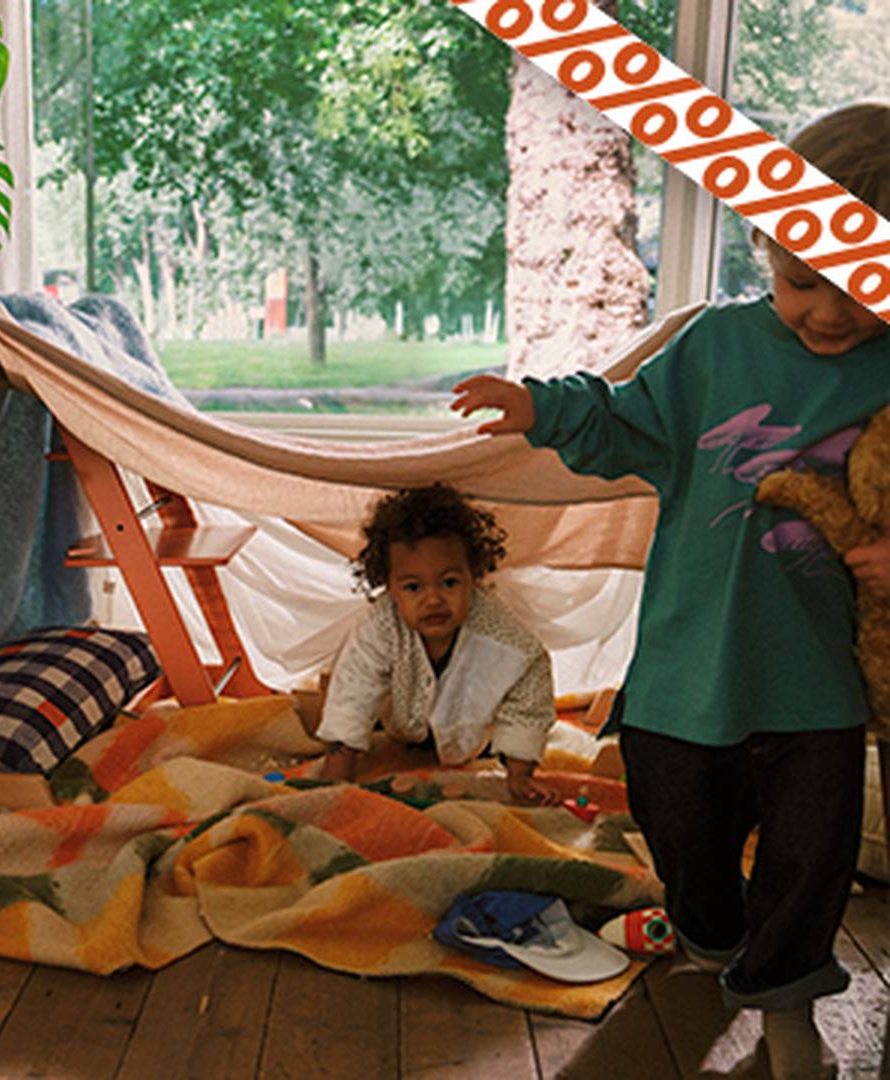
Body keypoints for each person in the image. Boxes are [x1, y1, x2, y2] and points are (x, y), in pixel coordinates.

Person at [450, 101, 890, 1080]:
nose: (826, 310)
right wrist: (540, 405)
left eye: (859, 286)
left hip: (819, 684)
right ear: (770, 244)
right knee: (682, 828)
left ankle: (785, 998)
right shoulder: (714, 348)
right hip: (690, 669)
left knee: (812, 859)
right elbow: (622, 423)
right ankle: (708, 932)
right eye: (798, 279)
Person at [315, 483, 558, 805]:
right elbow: (352, 696)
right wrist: (333, 784)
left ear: (474, 576)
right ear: (390, 588)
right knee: (362, 724)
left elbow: (528, 700)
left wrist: (520, 775)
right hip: (402, 730)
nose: (433, 600)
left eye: (449, 582)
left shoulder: (506, 638)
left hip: (472, 738)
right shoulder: (380, 625)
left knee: (504, 728)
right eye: (413, 587)